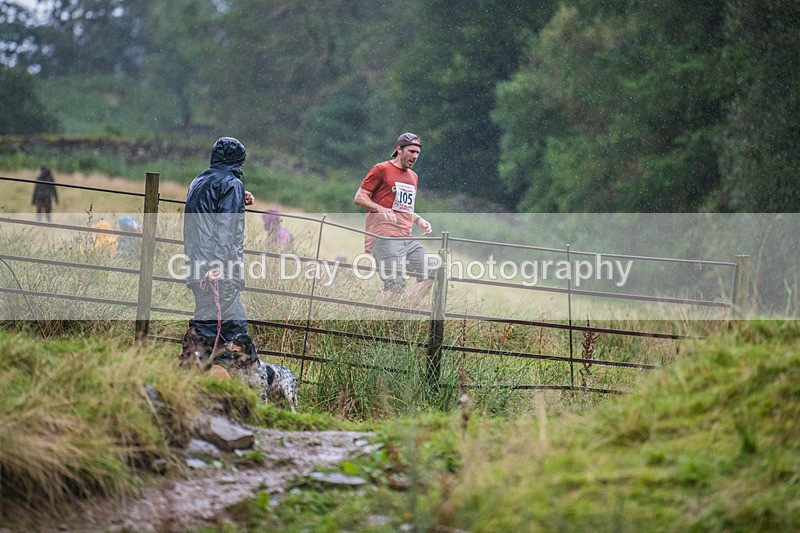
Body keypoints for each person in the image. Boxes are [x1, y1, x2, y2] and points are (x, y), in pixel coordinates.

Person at [181, 137, 255, 363]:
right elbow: (224, 229)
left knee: (228, 327)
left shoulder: (199, 181)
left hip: (197, 264)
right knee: (219, 328)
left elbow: (208, 212)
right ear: (238, 161)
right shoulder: (231, 184)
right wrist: (218, 266)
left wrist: (238, 199)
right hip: (219, 270)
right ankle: (189, 371)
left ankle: (217, 375)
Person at [354, 132, 434, 302]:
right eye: (411, 151)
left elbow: (403, 208)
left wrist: (418, 220)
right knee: (395, 283)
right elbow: (359, 197)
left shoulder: (413, 177)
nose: (415, 156)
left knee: (432, 272)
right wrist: (379, 208)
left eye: (418, 153)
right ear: (399, 149)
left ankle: (407, 311)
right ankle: (378, 316)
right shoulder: (381, 169)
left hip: (406, 238)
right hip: (384, 237)